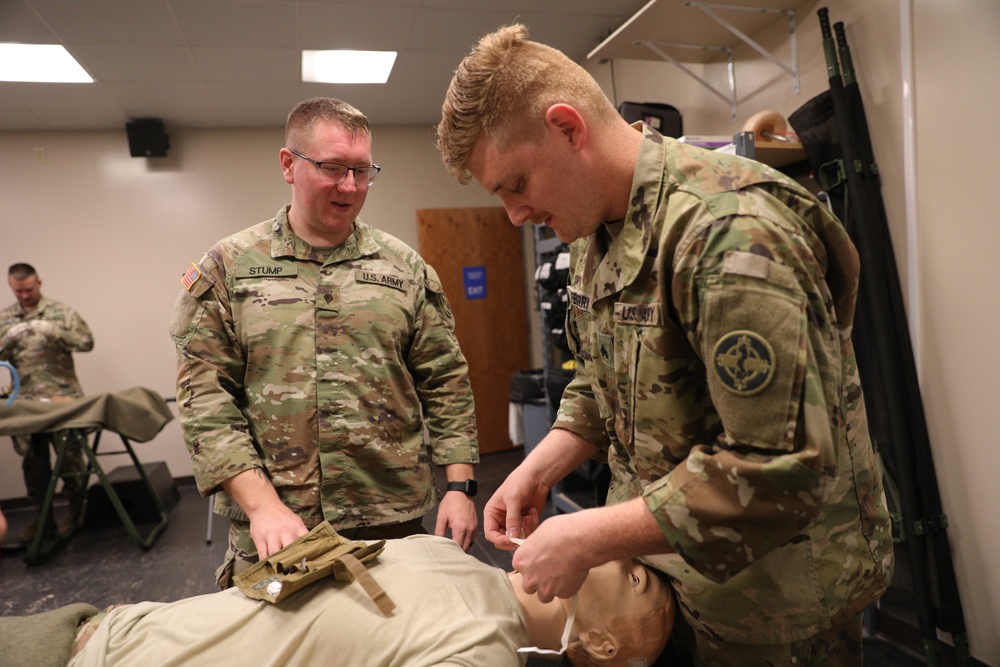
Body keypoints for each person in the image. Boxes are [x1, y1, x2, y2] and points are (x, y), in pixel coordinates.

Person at [436, 24, 894, 665]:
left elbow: (782, 468)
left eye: (516, 184)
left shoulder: (728, 233)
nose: (515, 215)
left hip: (776, 603)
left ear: (569, 129)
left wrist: (588, 535)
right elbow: (601, 382)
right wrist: (536, 469)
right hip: (671, 578)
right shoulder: (595, 232)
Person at [170, 97, 480, 589]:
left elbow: (445, 382)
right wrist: (261, 506)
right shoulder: (229, 268)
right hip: (277, 525)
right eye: (333, 168)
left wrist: (460, 487)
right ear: (288, 165)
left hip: (391, 516)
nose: (350, 187)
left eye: (362, 171)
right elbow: (205, 400)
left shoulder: (404, 269)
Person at [0, 534, 674, 667]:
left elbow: (265, 591)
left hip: (109, 634)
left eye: (635, 574)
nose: (615, 548)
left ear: (606, 644)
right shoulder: (462, 588)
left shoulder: (474, 638)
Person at [0, 263, 94, 542]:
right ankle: (43, 521)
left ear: (39, 283)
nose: (25, 295)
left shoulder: (60, 312)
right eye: (19, 291)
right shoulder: (5, 318)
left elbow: (86, 341)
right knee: (34, 463)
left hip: (61, 398)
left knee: (70, 461)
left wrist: (53, 331)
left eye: (29, 289)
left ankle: (76, 516)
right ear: (10, 287)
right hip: (26, 402)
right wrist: (7, 338)